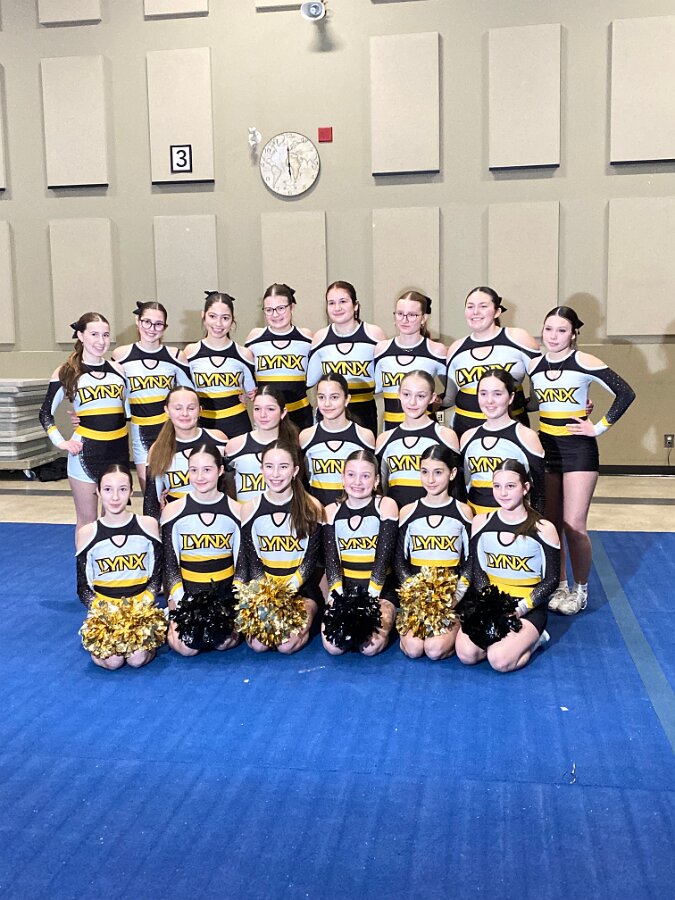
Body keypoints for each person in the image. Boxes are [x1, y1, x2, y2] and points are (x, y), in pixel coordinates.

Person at [529, 306, 635, 615]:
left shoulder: (585, 361)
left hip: (578, 449)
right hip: (546, 448)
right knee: (550, 524)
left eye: (562, 330)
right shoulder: (534, 365)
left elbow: (625, 393)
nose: (553, 336)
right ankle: (560, 584)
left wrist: (598, 427)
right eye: (549, 329)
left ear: (574, 334)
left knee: (574, 524)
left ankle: (581, 589)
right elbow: (536, 401)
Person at [455, 459, 560, 672]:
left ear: (525, 488)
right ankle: (508, 642)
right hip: (493, 604)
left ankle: (537, 639)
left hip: (527, 608)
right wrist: (490, 605)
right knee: (466, 655)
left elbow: (552, 580)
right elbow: (478, 570)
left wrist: (520, 609)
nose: (503, 493)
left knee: (500, 661)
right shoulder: (481, 522)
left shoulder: (543, 528)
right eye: (497, 486)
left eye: (510, 486)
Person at [39, 312, 129, 531]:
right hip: (85, 451)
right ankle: (85, 556)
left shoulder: (118, 370)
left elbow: (126, 412)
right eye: (94, 334)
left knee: (114, 519)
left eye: (105, 335)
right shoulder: (66, 372)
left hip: (117, 451)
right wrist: (61, 442)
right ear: (80, 335)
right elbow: (45, 413)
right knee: (87, 520)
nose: (101, 341)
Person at [236, 440, 324, 654]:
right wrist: (268, 597)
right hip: (265, 589)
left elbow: (310, 560)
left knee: (286, 645)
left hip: (301, 589)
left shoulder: (312, 507)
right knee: (258, 644)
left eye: (283, 467)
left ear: (295, 470)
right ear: (261, 469)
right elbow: (253, 561)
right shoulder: (249, 508)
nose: (275, 474)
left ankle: (310, 618)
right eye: (269, 466)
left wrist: (286, 592)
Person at [76, 463, 163, 670]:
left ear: (131, 492)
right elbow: (83, 588)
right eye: (108, 489)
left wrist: (141, 606)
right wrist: (106, 612)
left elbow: (156, 576)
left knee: (137, 659)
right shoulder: (87, 533)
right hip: (105, 611)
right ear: (98, 492)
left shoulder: (147, 525)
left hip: (140, 609)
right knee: (113, 662)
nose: (115, 497)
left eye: (122, 489)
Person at [161, 443, 242, 656]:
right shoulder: (173, 511)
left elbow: (242, 567)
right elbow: (170, 566)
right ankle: (170, 616)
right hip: (187, 595)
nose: (199, 477)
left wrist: (231, 601)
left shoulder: (237, 510)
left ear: (220, 470)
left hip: (223, 596)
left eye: (207, 470)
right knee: (188, 648)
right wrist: (182, 600)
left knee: (223, 642)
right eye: (193, 470)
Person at [395, 445, 473, 660]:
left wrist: (455, 598)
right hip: (416, 599)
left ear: (452, 473)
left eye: (438, 472)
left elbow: (470, 562)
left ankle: (457, 627)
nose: (430, 479)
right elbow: (400, 561)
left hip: (451, 601)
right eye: (424, 472)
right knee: (413, 650)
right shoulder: (408, 512)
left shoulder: (463, 512)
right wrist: (415, 595)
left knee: (434, 650)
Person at [322, 450, 398, 656]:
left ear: (376, 480)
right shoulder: (331, 511)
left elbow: (383, 561)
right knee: (333, 646)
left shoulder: (385, 506)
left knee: (370, 647)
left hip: (379, 592)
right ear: (342, 478)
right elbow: (331, 563)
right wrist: (337, 599)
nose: (357, 482)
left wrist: (369, 603)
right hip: (346, 591)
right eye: (351, 474)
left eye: (365, 476)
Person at [112, 300, 193, 492]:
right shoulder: (121, 355)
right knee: (150, 496)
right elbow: (111, 392)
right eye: (147, 322)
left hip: (171, 432)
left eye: (158, 324)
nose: (152, 328)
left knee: (177, 493)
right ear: (137, 321)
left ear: (165, 327)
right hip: (140, 432)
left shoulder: (176, 356)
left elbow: (192, 396)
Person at [444, 286, 540, 439]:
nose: (475, 312)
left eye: (483, 306)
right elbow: (449, 398)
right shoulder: (456, 348)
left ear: (497, 311)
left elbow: (543, 382)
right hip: (465, 432)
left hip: (512, 431)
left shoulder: (519, 338)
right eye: (470, 307)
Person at [307, 281, 387, 435]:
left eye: (343, 301)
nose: (337, 308)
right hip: (329, 414)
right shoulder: (320, 337)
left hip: (364, 411)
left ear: (355, 305)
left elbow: (385, 379)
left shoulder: (374, 334)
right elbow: (308, 381)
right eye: (331, 303)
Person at [461, 370, 545, 514]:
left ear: (511, 397)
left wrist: (535, 523)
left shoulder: (526, 436)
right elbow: (463, 488)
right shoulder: (467, 437)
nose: (489, 401)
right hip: (475, 521)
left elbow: (540, 493)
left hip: (514, 522)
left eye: (497, 394)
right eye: (483, 394)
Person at [377, 370, 459, 508]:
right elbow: (381, 492)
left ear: (432, 398)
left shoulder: (445, 436)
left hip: (434, 517)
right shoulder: (384, 439)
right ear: (398, 394)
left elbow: (456, 488)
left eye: (420, 396)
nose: (412, 402)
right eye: (406, 394)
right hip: (396, 517)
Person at [143, 386, 227, 520]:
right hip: (176, 521)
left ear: (200, 410)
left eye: (191, 408)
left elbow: (231, 485)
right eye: (178, 408)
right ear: (167, 410)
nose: (185, 413)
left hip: (216, 518)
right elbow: (151, 502)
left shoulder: (219, 439)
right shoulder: (158, 449)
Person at [185, 291, 256, 438]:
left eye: (225, 318)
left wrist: (248, 396)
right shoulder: (190, 352)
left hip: (238, 426)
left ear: (232, 320)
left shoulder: (244, 354)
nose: (218, 324)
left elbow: (255, 394)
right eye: (212, 316)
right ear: (203, 315)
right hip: (202, 426)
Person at [374, 290, 447, 429]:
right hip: (390, 429)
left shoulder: (436, 350)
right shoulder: (381, 349)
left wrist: (436, 402)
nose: (404, 320)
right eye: (400, 314)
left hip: (425, 428)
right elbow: (375, 388)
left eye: (412, 315)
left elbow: (452, 394)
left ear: (423, 318)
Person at [300, 373, 376, 506]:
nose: (327, 403)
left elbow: (372, 482)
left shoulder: (364, 436)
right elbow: (302, 482)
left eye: (334, 397)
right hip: (318, 512)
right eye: (321, 397)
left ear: (347, 399)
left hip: (353, 513)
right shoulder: (306, 436)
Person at [245, 283, 314, 430]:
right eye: (269, 310)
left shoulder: (307, 337)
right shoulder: (254, 338)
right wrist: (244, 392)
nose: (275, 315)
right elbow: (243, 372)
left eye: (281, 308)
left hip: (300, 414)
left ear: (292, 307)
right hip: (266, 418)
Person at [225, 385, 298, 502]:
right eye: (257, 409)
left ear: (283, 413)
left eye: (270, 409)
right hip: (244, 512)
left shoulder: (293, 444)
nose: (263, 415)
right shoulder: (235, 446)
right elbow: (229, 490)